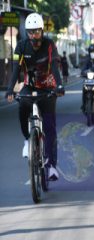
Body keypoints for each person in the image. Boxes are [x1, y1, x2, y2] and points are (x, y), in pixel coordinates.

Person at [6, 13, 65, 181]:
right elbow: (16, 68)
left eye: (37, 31)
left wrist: (59, 86)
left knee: (50, 127)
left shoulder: (49, 45)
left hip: (48, 88)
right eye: (31, 32)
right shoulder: (21, 47)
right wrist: (10, 89)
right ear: (27, 33)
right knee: (22, 105)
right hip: (29, 86)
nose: (34, 35)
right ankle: (27, 140)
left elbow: (54, 66)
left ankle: (52, 165)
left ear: (42, 31)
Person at [80, 43, 94, 112]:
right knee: (84, 89)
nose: (92, 53)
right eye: (91, 52)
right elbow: (83, 69)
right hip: (88, 80)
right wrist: (84, 72)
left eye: (93, 51)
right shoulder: (87, 59)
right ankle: (84, 104)